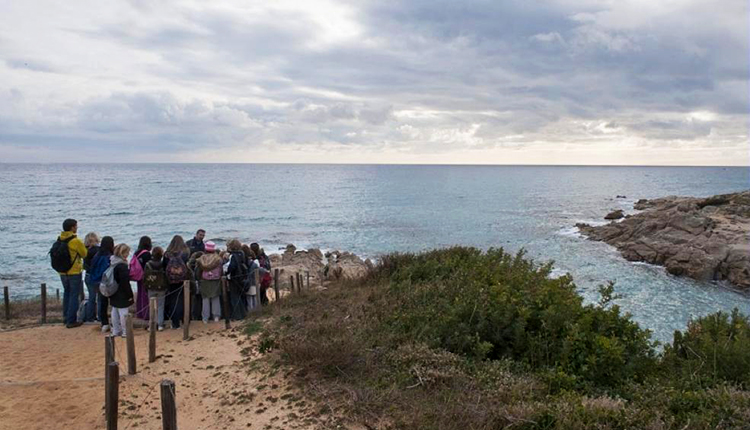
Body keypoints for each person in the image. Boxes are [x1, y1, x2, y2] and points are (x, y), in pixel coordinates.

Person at [51, 219, 88, 328]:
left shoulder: (59, 239)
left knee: (67, 293)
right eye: (76, 226)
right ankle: (71, 320)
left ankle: (66, 317)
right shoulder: (75, 241)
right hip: (74, 271)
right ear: (72, 227)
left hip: (62, 272)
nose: (77, 228)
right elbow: (84, 254)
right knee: (74, 295)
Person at [164, 235, 190, 329]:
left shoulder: (167, 254)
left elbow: (164, 267)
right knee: (182, 299)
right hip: (183, 279)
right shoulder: (185, 253)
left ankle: (175, 323)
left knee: (173, 300)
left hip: (171, 280)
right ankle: (185, 319)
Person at [90, 236, 114, 332]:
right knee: (113, 302)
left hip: (97, 281)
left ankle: (104, 323)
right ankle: (114, 322)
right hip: (108, 282)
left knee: (102, 302)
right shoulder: (109, 256)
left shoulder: (97, 255)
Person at [109, 243, 134, 338]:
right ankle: (125, 331)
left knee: (114, 310)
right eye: (127, 252)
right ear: (123, 253)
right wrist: (129, 294)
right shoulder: (122, 266)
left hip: (113, 289)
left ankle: (116, 330)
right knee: (123, 311)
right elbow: (125, 282)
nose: (128, 254)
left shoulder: (112, 262)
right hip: (121, 291)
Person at [195, 241, 223, 323]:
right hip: (215, 280)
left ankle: (205, 318)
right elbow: (221, 270)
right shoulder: (218, 259)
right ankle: (216, 316)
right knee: (215, 298)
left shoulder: (201, 259)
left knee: (205, 299)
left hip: (204, 280)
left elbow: (198, 271)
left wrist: (198, 278)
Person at [143, 246, 168, 331]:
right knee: (161, 306)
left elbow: (145, 277)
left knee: (151, 307)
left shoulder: (148, 264)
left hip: (151, 286)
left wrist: (145, 286)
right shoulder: (163, 264)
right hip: (161, 287)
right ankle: (160, 325)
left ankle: (152, 324)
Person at [226, 239, 248, 320]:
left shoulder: (233, 256)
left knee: (234, 297)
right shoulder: (242, 254)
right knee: (240, 296)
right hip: (241, 277)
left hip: (234, 277)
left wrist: (227, 271)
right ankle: (243, 314)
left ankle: (237, 316)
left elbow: (232, 266)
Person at [132, 236, 152, 320]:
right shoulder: (147, 254)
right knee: (145, 295)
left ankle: (140, 313)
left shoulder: (136, 252)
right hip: (145, 276)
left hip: (138, 275)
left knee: (140, 294)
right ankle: (146, 314)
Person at [82, 232, 100, 322]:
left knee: (91, 297)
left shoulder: (85, 251)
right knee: (100, 297)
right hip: (97, 276)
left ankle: (90, 317)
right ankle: (100, 317)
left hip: (88, 275)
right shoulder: (98, 250)